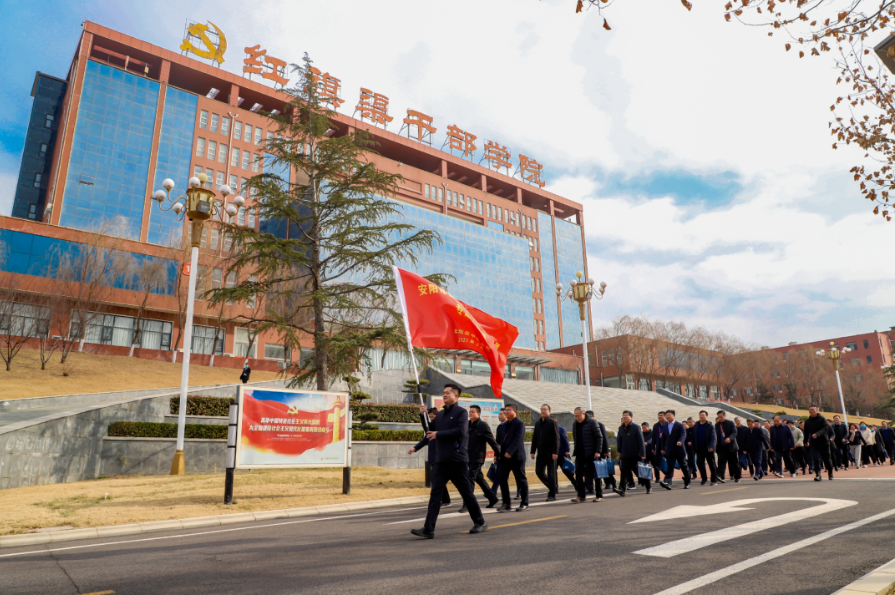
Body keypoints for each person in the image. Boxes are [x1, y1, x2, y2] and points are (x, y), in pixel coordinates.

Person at [410, 384, 487, 539]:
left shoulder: (461, 413)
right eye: (443, 393)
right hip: (441, 461)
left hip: (457, 460)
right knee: (435, 495)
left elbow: (460, 431)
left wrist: (439, 434)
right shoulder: (440, 415)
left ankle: (480, 522)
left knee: (467, 494)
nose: (444, 395)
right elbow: (429, 432)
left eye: (447, 393)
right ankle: (428, 529)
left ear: (456, 396)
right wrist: (422, 415)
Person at [461, 404, 500, 512]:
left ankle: (467, 504)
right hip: (467, 457)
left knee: (469, 479)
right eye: (470, 412)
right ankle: (492, 498)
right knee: (480, 479)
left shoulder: (483, 425)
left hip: (478, 458)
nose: (471, 413)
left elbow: (492, 441)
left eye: (473, 412)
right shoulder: (467, 425)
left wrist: (499, 453)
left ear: (479, 414)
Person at [410, 407, 451, 508]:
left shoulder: (441, 429)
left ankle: (444, 500)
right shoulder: (430, 430)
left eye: (434, 417)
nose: (432, 419)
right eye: (430, 417)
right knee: (437, 480)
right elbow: (425, 439)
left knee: (438, 480)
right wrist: (414, 449)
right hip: (433, 458)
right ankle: (444, 500)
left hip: (442, 458)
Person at [495, 404, 529, 512]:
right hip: (504, 458)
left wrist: (510, 451)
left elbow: (518, 440)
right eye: (506, 410)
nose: (507, 412)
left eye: (509, 410)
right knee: (502, 479)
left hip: (516, 457)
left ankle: (524, 503)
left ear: (515, 412)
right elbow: (500, 441)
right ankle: (506, 504)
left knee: (521, 480)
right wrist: (497, 453)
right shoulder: (504, 425)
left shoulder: (519, 424)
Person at [568, 406, 603, 503]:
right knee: (578, 474)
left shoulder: (592, 422)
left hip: (592, 453)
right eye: (575, 416)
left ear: (583, 414)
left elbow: (599, 437)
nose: (577, 418)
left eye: (578, 416)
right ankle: (581, 496)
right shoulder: (575, 424)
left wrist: (598, 451)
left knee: (596, 474)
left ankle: (599, 495)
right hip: (580, 453)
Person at [613, 409, 650, 496]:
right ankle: (622, 489)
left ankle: (648, 486)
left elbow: (641, 441)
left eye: (627, 415)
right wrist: (619, 451)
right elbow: (619, 440)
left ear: (631, 417)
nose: (625, 417)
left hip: (635, 454)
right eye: (624, 415)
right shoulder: (621, 428)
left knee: (639, 472)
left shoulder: (636, 427)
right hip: (625, 454)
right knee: (624, 472)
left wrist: (643, 454)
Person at [530, 404, 560, 502]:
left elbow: (556, 438)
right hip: (541, 453)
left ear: (549, 411)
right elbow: (535, 437)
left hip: (551, 453)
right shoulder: (538, 423)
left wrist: (555, 452)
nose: (543, 411)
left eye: (545, 409)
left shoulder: (552, 422)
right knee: (539, 472)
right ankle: (553, 487)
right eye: (542, 409)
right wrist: (532, 451)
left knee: (551, 474)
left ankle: (552, 495)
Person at [659, 410, 691, 490]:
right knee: (670, 467)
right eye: (666, 415)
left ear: (674, 416)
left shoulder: (679, 425)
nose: (668, 417)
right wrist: (663, 448)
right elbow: (663, 438)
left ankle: (687, 482)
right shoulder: (665, 425)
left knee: (684, 466)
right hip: (670, 450)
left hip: (679, 449)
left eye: (669, 415)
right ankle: (667, 482)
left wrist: (680, 441)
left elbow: (683, 434)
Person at [588, 411, 618, 492]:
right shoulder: (585, 425)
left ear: (593, 416)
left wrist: (605, 451)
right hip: (591, 452)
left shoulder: (599, 424)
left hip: (600, 451)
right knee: (593, 470)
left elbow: (604, 438)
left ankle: (612, 482)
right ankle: (592, 487)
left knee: (604, 468)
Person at [803, 406, 834, 481]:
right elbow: (806, 432)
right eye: (810, 410)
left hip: (824, 442)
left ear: (816, 410)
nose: (811, 411)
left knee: (827, 459)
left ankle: (830, 473)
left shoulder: (822, 419)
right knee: (816, 459)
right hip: (814, 443)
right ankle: (818, 475)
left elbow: (825, 428)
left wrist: (817, 434)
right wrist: (806, 441)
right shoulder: (807, 421)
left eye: (813, 409)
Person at [694, 410, 720, 486]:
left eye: (703, 415)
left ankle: (714, 480)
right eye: (700, 415)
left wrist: (712, 446)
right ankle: (704, 479)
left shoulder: (710, 425)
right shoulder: (696, 425)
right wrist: (693, 447)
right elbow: (693, 437)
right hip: (699, 449)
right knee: (699, 463)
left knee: (712, 465)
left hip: (709, 449)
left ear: (706, 416)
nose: (702, 416)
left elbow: (713, 437)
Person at [715, 410, 739, 483]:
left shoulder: (730, 423)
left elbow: (735, 432)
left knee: (734, 462)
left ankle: (737, 477)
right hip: (722, 447)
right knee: (721, 462)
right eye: (719, 417)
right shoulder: (717, 425)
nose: (720, 418)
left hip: (731, 446)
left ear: (725, 416)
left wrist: (730, 438)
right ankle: (720, 476)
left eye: (721, 417)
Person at [490, 408, 507, 497]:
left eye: (501, 414)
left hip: (508, 454)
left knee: (518, 476)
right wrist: (496, 454)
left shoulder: (508, 426)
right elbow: (497, 442)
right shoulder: (499, 426)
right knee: (499, 474)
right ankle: (493, 492)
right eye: (499, 414)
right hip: (500, 454)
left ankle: (520, 492)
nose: (499, 416)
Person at [556, 416, 577, 487]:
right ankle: (554, 487)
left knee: (566, 470)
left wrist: (567, 450)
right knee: (552, 472)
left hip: (562, 453)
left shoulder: (561, 429)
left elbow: (565, 441)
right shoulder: (547, 430)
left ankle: (575, 483)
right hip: (553, 454)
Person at [652, 411, 669, 484]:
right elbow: (653, 437)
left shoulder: (668, 424)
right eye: (659, 415)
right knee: (656, 463)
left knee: (667, 462)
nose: (660, 417)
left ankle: (668, 476)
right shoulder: (656, 425)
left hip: (667, 446)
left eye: (661, 415)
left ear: (665, 416)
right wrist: (653, 447)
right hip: (658, 446)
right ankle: (658, 478)